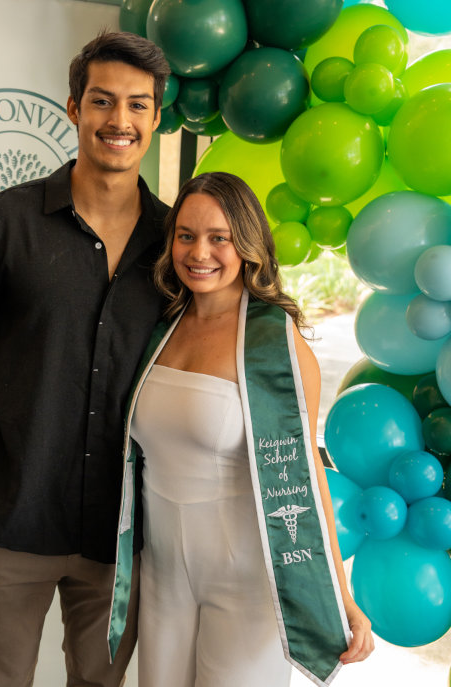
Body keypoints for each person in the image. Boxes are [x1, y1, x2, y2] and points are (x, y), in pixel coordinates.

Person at [0, 31, 170, 687]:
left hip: (123, 530)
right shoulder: (1, 222)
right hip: (12, 515)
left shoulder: (178, 244)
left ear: (157, 117)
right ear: (73, 109)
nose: (120, 120)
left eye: (138, 105)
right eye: (103, 102)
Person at [108, 172, 374, 687]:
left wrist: (340, 594)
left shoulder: (276, 343)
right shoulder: (163, 326)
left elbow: (305, 475)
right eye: (185, 235)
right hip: (162, 578)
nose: (199, 252)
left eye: (218, 237)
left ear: (247, 244)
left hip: (248, 583)